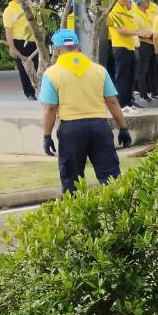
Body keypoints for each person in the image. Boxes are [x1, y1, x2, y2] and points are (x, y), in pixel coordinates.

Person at [39, 28, 133, 194]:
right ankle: (118, 213)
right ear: (79, 47)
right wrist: (123, 128)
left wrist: (47, 136)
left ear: (57, 50)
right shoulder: (99, 70)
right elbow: (112, 101)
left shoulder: (51, 74)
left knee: (72, 180)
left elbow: (50, 108)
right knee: (111, 177)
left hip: (71, 130)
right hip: (100, 127)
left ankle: (77, 219)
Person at [106, 0, 145, 113]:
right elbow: (120, 31)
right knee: (122, 78)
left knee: (129, 77)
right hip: (120, 47)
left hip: (130, 47)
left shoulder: (125, 10)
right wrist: (137, 33)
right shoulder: (115, 11)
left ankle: (128, 102)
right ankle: (122, 105)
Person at [2, 0, 37, 100]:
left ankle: (41, 90)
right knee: (23, 69)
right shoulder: (9, 10)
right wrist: (12, 47)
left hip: (33, 40)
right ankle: (29, 93)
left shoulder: (30, 6)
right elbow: (8, 31)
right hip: (19, 42)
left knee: (39, 66)